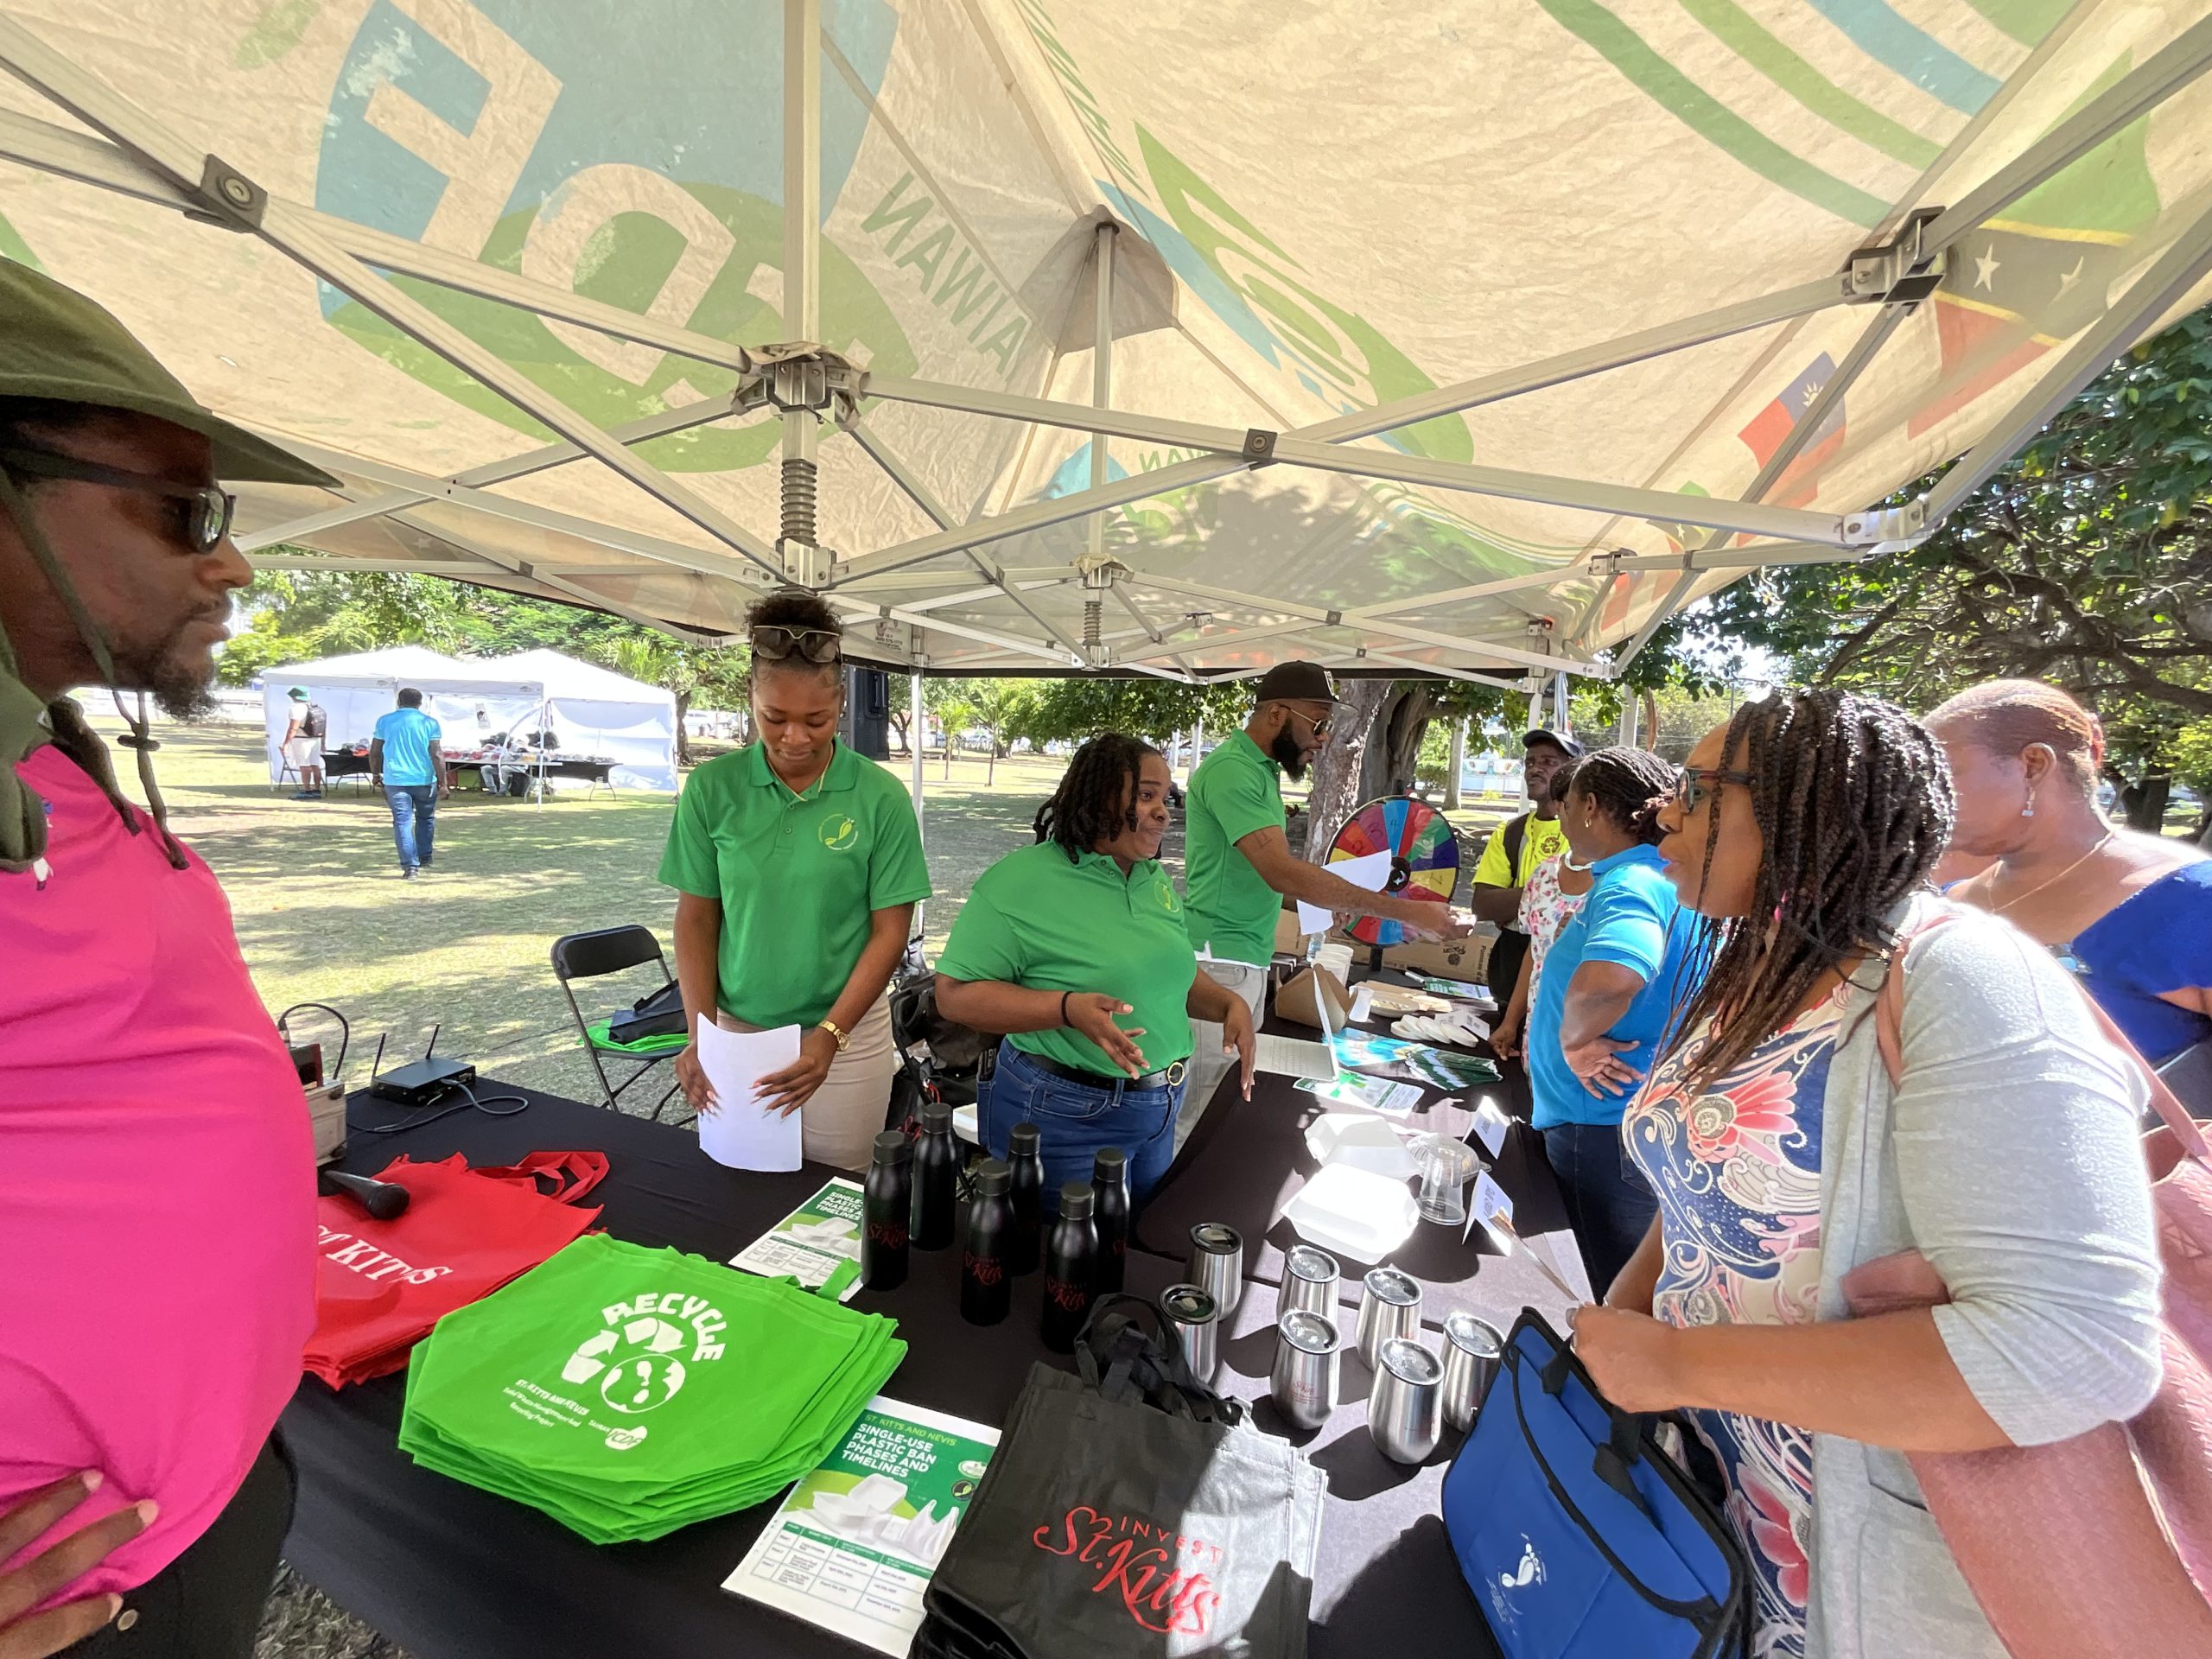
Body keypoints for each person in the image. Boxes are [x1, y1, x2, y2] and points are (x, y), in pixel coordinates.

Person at [1579, 688, 2162, 1659]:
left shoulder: (1967, 980)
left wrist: (1679, 1364)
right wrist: (1630, 1318)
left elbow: (2075, 1349)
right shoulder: (1763, 965)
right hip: (1715, 1510)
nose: (1663, 815)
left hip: (1853, 1576)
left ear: (1805, 804)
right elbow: (1704, 1186)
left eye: (1692, 789)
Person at [0, 263, 339, 1656]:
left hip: (191, 1492)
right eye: (182, 510)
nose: (237, 564)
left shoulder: (43, 759)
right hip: (72, 1582)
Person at [661, 591, 931, 1171]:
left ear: (841, 704)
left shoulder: (880, 797)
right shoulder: (712, 790)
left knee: (837, 1200)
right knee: (740, 1187)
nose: (794, 738)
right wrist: (700, 1035)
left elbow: (891, 931)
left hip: (848, 1034)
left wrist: (830, 1035)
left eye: (817, 720)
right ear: (750, 700)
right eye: (773, 718)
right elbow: (698, 917)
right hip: (738, 1031)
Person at [937, 735, 1258, 1204]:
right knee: (1058, 1262)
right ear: (1099, 795)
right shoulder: (1020, 882)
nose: (1164, 811)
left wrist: (1230, 1004)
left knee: (1135, 1252)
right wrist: (1067, 1010)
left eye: (1165, 798)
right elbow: (953, 995)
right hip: (1062, 1114)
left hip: (1159, 1108)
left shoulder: (1151, 879)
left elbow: (1169, 973)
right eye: (1145, 796)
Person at [1180, 660, 1472, 1109]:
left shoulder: (1257, 771)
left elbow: (1253, 877)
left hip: (1239, 962)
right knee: (1200, 1109)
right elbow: (1278, 869)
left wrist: (1314, 904)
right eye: (1318, 723)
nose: (1323, 738)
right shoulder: (1233, 771)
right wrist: (1409, 911)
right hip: (1219, 964)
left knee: (1218, 1105)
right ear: (1275, 714)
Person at [1927, 679, 2211, 1073]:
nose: (1925, 797)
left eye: (1942, 774)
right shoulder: (1946, 903)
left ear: (2033, 765)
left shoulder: (2193, 904)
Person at [1525, 745, 1700, 1293]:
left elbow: (1617, 972)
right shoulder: (1670, 877)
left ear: (1593, 807)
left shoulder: (1631, 883)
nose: (1561, 818)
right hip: (1619, 1118)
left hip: (1597, 1127)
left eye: (1568, 804)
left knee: (1597, 1286)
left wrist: (1574, 1043)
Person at [1467, 728, 1584, 1004]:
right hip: (1511, 960)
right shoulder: (1510, 832)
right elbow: (1483, 905)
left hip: (1565, 963)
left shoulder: (1588, 831)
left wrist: (1516, 902)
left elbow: (1583, 900)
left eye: (1548, 762)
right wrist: (1551, 892)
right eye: (1530, 762)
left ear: (1574, 771)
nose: (1535, 769)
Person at [1489, 758, 1588, 1061]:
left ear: (1592, 808)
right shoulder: (1545, 873)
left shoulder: (1619, 883)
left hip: (1587, 1048)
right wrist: (1510, 1022)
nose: (1559, 810)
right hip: (1537, 1039)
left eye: (1567, 802)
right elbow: (1534, 954)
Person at [368, 687, 448, 880]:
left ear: (398, 702)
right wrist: (443, 782)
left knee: (402, 822)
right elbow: (436, 754)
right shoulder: (429, 723)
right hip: (424, 779)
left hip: (396, 779)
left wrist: (376, 774)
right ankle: (425, 855)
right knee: (425, 818)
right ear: (420, 703)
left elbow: (375, 751)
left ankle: (410, 866)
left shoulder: (385, 721)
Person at [279, 685, 326, 800]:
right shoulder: (315, 707)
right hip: (316, 739)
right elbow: (323, 727)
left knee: (304, 765)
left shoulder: (296, 708)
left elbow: (293, 728)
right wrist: (323, 742)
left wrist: (286, 744)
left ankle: (307, 790)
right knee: (315, 765)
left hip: (302, 739)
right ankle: (317, 790)